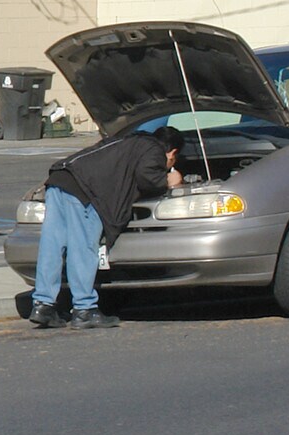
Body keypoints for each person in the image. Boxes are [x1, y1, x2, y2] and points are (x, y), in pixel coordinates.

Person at [29, 125, 185, 329]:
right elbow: (147, 177)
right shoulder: (153, 149)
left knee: (52, 245)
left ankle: (43, 305)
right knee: (83, 248)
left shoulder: (126, 140)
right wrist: (169, 180)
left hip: (60, 178)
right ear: (172, 153)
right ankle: (84, 309)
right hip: (86, 191)